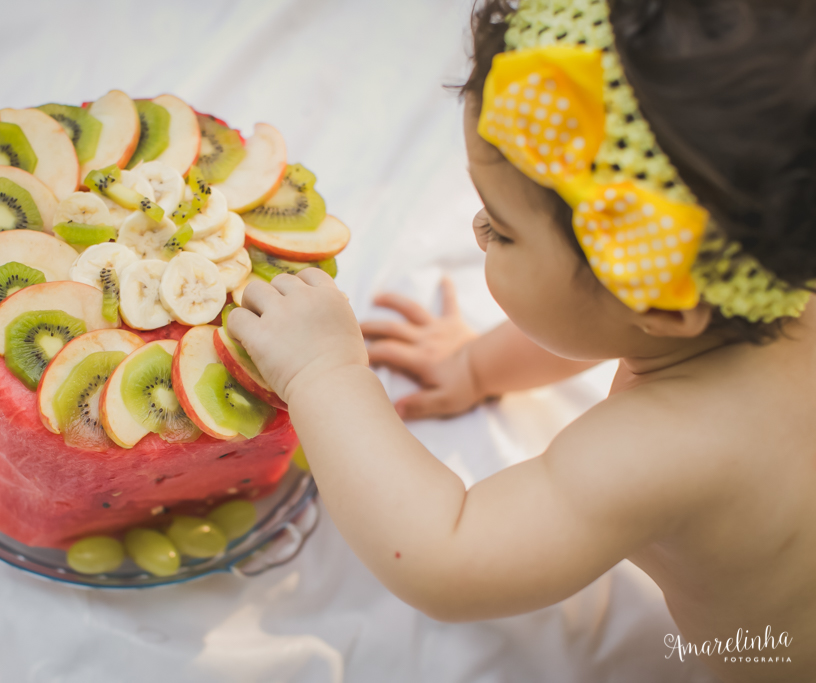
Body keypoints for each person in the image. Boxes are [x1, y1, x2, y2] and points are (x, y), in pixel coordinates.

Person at [226, 1, 816, 681]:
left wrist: (324, 372)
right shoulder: (760, 269)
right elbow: (605, 321)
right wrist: (476, 364)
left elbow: (445, 555)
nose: (478, 228)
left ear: (655, 299)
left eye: (502, 229)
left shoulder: (666, 446)